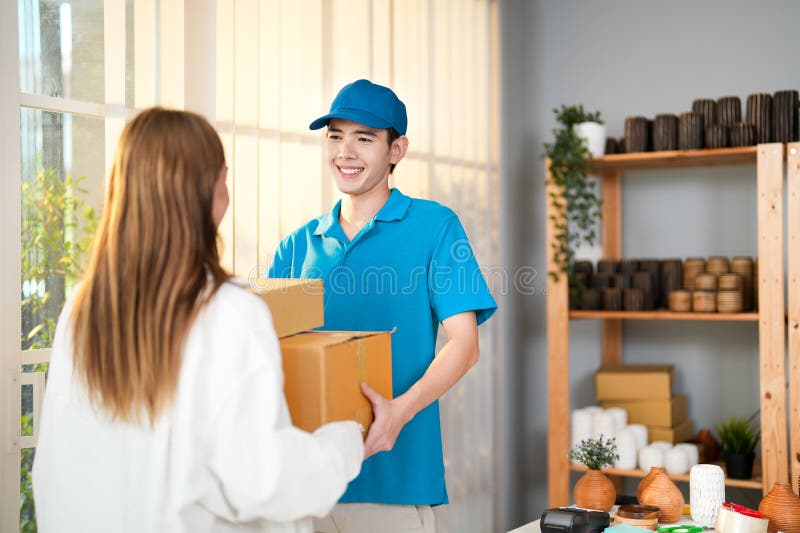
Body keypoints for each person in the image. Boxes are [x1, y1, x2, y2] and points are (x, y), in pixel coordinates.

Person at [32, 107, 364, 533]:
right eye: (223, 176)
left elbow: (58, 466)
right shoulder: (228, 313)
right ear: (208, 190)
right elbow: (265, 481)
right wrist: (344, 443)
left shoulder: (81, 307)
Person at [268, 79, 497, 533]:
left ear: (397, 150)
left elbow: (464, 345)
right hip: (306, 484)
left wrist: (400, 412)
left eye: (365, 138)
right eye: (335, 136)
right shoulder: (297, 246)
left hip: (396, 481)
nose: (345, 152)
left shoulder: (435, 226)